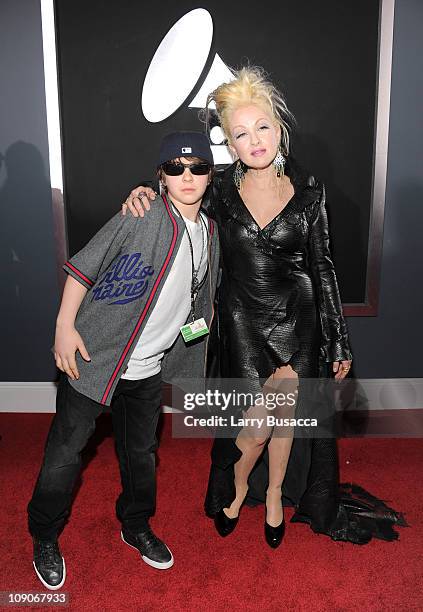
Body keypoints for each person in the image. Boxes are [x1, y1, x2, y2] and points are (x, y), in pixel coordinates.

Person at [122, 67, 405, 547]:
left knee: (285, 424)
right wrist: (143, 191)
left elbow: (324, 267)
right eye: (241, 134)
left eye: (262, 128)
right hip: (243, 324)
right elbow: (179, 198)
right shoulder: (219, 190)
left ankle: (274, 496)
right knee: (254, 430)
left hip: (300, 321)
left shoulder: (311, 191)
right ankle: (235, 492)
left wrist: (338, 337)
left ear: (279, 128)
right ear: (229, 145)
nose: (254, 141)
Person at [27, 131, 220, 589]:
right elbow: (84, 266)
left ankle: (135, 526)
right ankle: (44, 536)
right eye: (175, 168)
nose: (186, 176)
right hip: (96, 356)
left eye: (197, 167)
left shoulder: (210, 231)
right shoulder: (142, 212)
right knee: (64, 453)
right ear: (160, 177)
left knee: (141, 455)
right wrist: (63, 327)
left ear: (212, 175)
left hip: (147, 368)